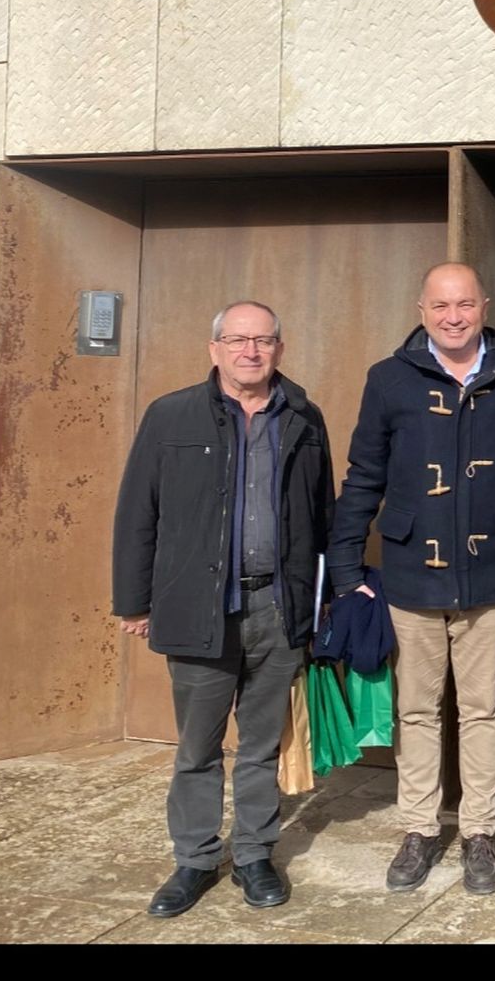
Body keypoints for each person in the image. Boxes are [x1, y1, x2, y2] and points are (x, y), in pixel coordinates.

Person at [113, 301, 332, 918]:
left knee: (261, 746)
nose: (251, 351)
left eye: (263, 340)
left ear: (279, 350)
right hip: (198, 609)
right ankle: (195, 859)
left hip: (277, 607)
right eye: (238, 340)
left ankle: (257, 853)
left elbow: (323, 515)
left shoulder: (304, 418)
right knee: (198, 749)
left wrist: (323, 603)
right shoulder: (171, 415)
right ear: (215, 349)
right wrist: (133, 600)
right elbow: (137, 513)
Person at [330, 262, 495, 897]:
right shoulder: (389, 379)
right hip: (412, 572)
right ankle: (419, 829)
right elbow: (364, 471)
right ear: (421, 309)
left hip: (491, 569)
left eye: (465, 304)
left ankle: (479, 833)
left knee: (483, 709)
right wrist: (344, 566)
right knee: (417, 710)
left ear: (484, 305)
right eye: (441, 305)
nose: (454, 316)